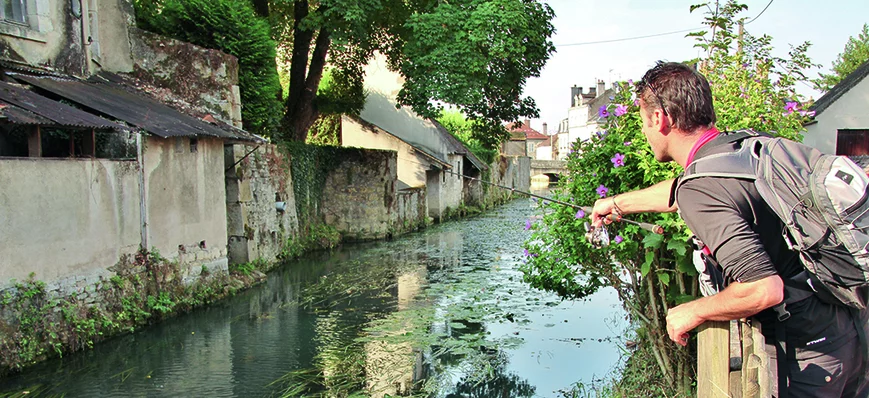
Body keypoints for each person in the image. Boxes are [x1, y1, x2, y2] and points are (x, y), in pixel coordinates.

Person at [590, 61, 869, 396]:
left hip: (808, 355)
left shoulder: (702, 187)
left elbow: (764, 289)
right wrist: (617, 203)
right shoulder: (744, 149)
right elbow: (684, 189)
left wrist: (691, 311)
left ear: (659, 119)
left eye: (643, 122)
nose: (646, 132)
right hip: (848, 327)